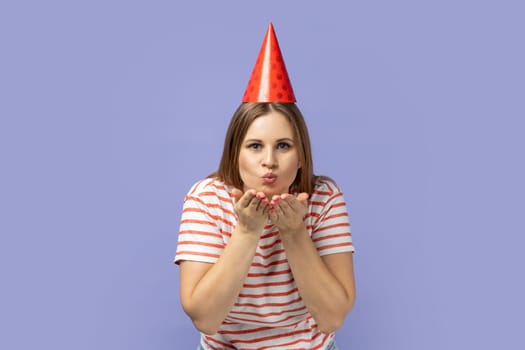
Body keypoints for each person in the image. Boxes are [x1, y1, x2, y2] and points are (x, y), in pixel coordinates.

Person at [174, 23, 356, 350]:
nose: (269, 161)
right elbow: (204, 318)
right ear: (236, 153)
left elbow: (331, 319)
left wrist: (294, 231)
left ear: (301, 156)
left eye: (283, 146)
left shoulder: (325, 198)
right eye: (255, 146)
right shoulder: (205, 199)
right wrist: (246, 232)